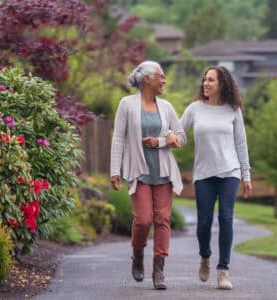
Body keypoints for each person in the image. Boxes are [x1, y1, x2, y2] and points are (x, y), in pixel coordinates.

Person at [110, 60, 185, 290]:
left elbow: (181, 137)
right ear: (146, 79)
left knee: (162, 219)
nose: (164, 81)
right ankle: (138, 253)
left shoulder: (167, 107)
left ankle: (159, 270)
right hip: (139, 171)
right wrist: (115, 170)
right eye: (160, 76)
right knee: (143, 220)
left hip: (163, 172)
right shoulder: (127, 104)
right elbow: (118, 138)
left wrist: (163, 141)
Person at [178, 66, 252, 290]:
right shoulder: (194, 109)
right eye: (204, 80)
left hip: (230, 172)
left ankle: (223, 271)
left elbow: (241, 144)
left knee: (226, 218)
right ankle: (205, 256)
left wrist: (246, 175)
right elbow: (180, 136)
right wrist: (165, 139)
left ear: (222, 84)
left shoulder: (233, 110)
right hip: (203, 175)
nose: (205, 84)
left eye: (211, 80)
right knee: (203, 223)